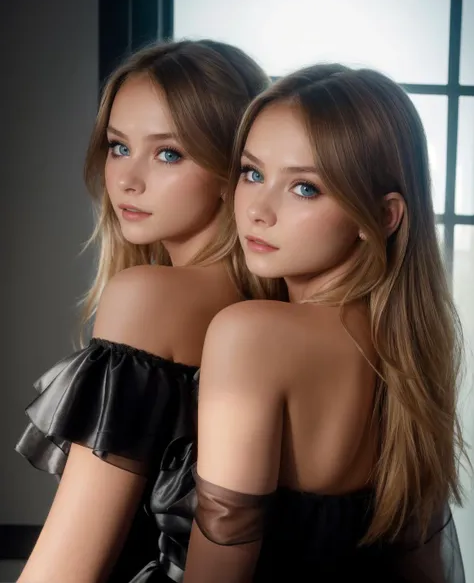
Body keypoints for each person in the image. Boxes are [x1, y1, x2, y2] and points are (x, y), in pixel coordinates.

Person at [183, 64, 467, 582]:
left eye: (305, 188)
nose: (258, 211)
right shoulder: (411, 351)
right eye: (252, 173)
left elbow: (217, 572)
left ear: (382, 217)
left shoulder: (249, 334)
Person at [15, 39, 284, 583]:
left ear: (232, 166)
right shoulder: (278, 315)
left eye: (168, 153)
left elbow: (67, 566)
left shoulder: (149, 298)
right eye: (117, 146)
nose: (127, 179)